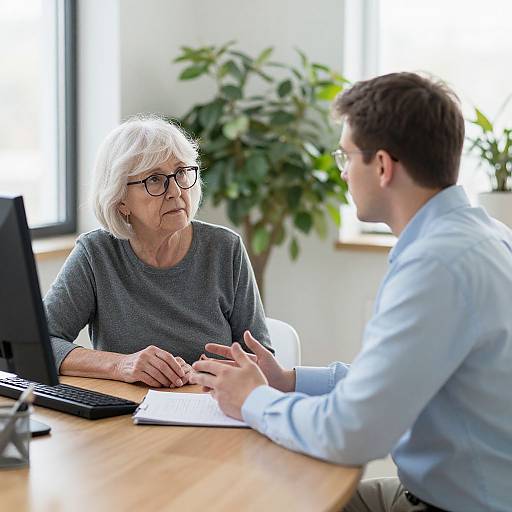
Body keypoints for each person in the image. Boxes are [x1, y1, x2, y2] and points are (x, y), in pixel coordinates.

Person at [190, 73, 512, 511]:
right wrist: (288, 381)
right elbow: (388, 381)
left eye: (345, 157)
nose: (342, 172)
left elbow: (350, 433)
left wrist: (252, 400)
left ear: (382, 166)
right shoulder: (484, 234)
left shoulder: (435, 266)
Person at [44, 115, 271, 389]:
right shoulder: (96, 254)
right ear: (121, 201)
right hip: (125, 417)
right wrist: (121, 365)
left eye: (182, 172)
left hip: (212, 411)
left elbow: (263, 360)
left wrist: (211, 372)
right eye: (154, 179)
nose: (175, 191)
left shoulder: (225, 249)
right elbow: (42, 342)